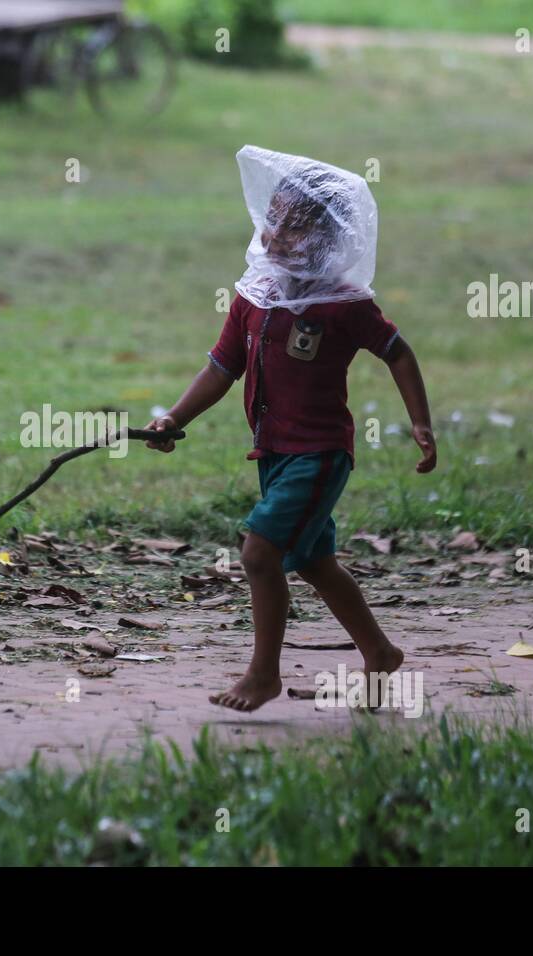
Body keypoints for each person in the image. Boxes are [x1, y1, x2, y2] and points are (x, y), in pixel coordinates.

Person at [146, 147, 436, 712]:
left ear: (329, 238)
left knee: (259, 554)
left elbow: (398, 354)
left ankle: (264, 675)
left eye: (293, 224)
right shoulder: (256, 295)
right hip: (274, 453)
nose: (275, 231)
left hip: (321, 453)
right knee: (313, 562)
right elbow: (221, 367)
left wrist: (420, 422)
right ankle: (380, 653)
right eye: (273, 217)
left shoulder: (344, 305)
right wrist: (175, 418)